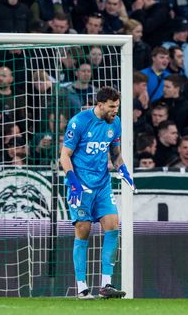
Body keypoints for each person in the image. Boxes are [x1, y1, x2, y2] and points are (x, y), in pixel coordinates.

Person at [60, 86, 133, 300]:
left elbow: (116, 155)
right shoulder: (79, 122)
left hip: (102, 184)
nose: (115, 111)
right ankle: (82, 287)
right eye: (112, 107)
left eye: (117, 107)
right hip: (80, 186)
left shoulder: (115, 124)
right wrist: (72, 181)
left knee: (112, 226)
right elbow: (64, 156)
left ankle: (106, 285)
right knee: (83, 230)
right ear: (100, 105)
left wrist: (124, 169)